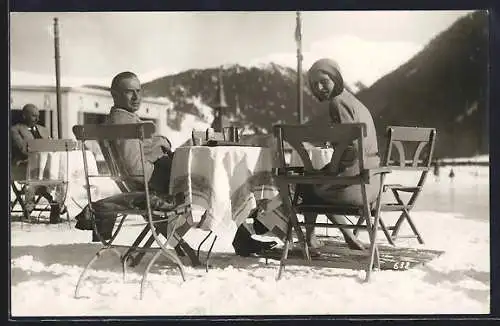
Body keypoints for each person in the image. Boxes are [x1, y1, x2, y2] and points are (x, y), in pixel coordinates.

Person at [105, 71, 275, 257]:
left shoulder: (123, 119)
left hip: (153, 181)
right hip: (155, 186)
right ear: (114, 94)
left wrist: (158, 146)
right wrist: (169, 168)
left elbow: (137, 156)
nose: (137, 97)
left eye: (139, 90)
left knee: (215, 179)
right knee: (218, 182)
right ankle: (256, 223)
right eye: (130, 92)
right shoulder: (123, 122)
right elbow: (134, 170)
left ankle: (247, 230)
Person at [304, 58, 382, 252]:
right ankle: (348, 237)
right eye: (315, 84)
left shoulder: (338, 103)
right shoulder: (353, 101)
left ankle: (310, 238)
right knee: (315, 180)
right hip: (373, 183)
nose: (320, 87)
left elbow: (353, 148)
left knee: (306, 185)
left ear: (336, 78)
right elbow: (353, 142)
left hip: (355, 187)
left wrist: (332, 168)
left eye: (324, 81)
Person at [10, 103, 64, 223]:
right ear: (24, 116)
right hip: (24, 164)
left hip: (46, 165)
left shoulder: (43, 129)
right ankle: (50, 200)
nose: (37, 119)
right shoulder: (15, 130)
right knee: (44, 163)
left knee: (61, 164)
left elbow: (52, 145)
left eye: (38, 116)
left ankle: (57, 202)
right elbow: (22, 149)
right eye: (34, 116)